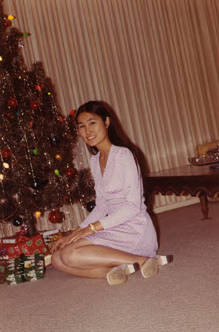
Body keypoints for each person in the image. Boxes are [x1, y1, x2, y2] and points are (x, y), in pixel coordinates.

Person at [51, 100, 172, 285]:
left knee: (70, 255)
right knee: (58, 259)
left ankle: (143, 260)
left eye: (92, 123)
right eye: (81, 126)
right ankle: (122, 268)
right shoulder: (95, 160)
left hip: (135, 229)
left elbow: (132, 207)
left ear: (106, 122)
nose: (87, 131)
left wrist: (90, 229)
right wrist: (75, 232)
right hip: (113, 226)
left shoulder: (124, 155)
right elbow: (102, 206)